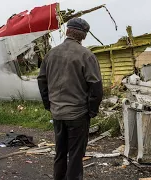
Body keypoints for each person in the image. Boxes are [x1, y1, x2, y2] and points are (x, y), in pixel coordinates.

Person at [37, 17, 103, 180]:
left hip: (57, 113)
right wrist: (92, 111)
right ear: (84, 35)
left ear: (67, 31)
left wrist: (49, 105)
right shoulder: (86, 55)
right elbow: (96, 87)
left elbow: (42, 81)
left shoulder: (51, 54)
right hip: (78, 115)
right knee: (75, 155)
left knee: (60, 153)